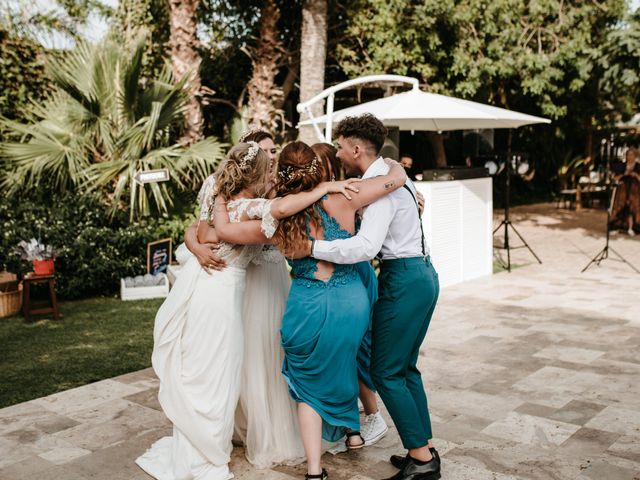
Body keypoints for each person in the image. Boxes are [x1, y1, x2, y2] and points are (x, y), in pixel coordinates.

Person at [136, 142, 359, 480]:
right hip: (222, 295)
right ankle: (206, 450)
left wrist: (199, 242)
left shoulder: (222, 199)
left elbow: (204, 229)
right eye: (267, 166)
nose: (272, 170)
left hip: (206, 290)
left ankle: (202, 443)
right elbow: (277, 211)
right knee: (218, 372)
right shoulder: (254, 208)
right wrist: (326, 187)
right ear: (256, 174)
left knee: (203, 369)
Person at [213, 141, 408, 480]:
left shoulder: (277, 214)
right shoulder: (348, 196)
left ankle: (315, 471)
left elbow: (225, 230)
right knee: (342, 360)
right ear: (319, 170)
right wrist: (394, 164)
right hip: (350, 301)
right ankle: (354, 432)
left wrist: (217, 199)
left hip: (307, 304)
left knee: (306, 387)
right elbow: (395, 181)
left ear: (283, 173)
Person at [310, 114, 441, 480]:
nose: (337, 152)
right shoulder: (390, 175)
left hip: (404, 279)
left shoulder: (382, 189)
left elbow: (365, 247)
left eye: (340, 146)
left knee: (384, 371)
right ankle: (424, 448)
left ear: (355, 148)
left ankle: (421, 458)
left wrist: (312, 247)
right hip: (420, 274)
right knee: (405, 368)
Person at [312, 143, 389, 447]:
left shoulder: (348, 192)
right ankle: (354, 412)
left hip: (354, 273)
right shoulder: (321, 194)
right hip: (346, 274)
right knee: (348, 348)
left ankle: (373, 415)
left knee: (355, 348)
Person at [611, 147, 640, 236]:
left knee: (634, 208)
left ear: (635, 156)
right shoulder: (621, 166)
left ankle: (633, 228)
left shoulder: (638, 166)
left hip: (635, 191)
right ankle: (616, 227)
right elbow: (614, 178)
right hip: (622, 190)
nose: (630, 157)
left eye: (632, 155)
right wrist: (624, 174)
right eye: (628, 155)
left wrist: (635, 175)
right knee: (619, 207)